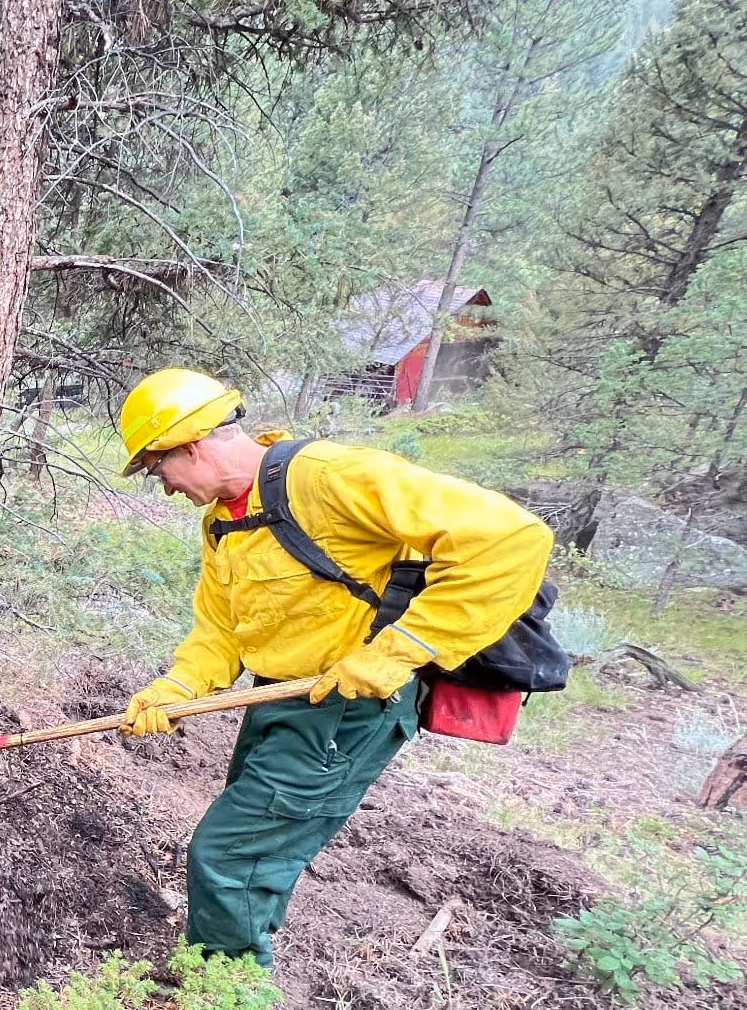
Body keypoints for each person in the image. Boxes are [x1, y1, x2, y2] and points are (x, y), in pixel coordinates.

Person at [115, 368, 552, 967]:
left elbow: (512, 539)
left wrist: (398, 651)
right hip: (280, 700)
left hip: (350, 709)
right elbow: (220, 629)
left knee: (231, 853)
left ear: (189, 447)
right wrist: (177, 686)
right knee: (256, 841)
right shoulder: (223, 522)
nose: (164, 488)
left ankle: (222, 997)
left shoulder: (327, 477)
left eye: (158, 470)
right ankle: (235, 961)